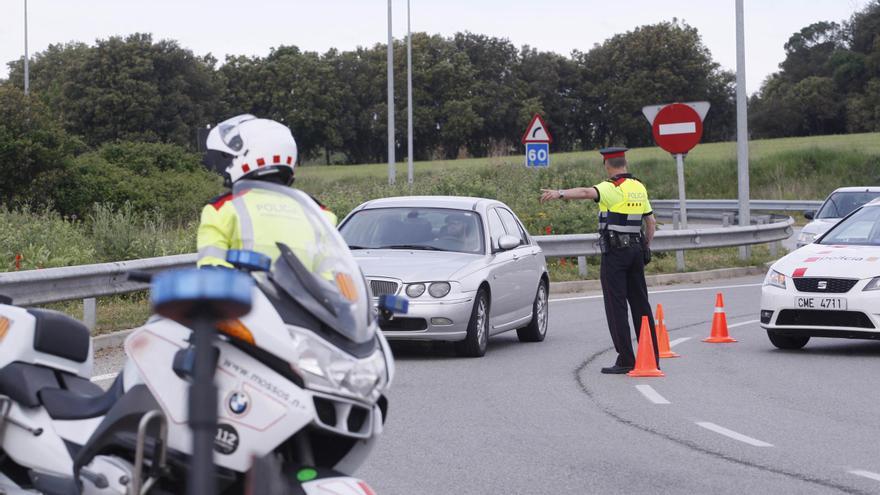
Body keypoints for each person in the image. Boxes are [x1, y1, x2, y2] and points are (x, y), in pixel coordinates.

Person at [540, 147, 658, 374]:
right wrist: (645, 247)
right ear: (625, 162)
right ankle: (651, 355)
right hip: (636, 250)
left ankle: (626, 359)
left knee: (616, 306)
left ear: (607, 165)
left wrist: (559, 193)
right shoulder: (639, 186)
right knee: (641, 304)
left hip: (616, 254)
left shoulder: (612, 186)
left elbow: (586, 192)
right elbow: (650, 222)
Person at [197, 114, 335, 269]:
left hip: (248, 293)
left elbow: (211, 271)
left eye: (231, 157)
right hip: (307, 294)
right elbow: (333, 279)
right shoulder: (320, 213)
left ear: (248, 155)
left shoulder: (221, 210)